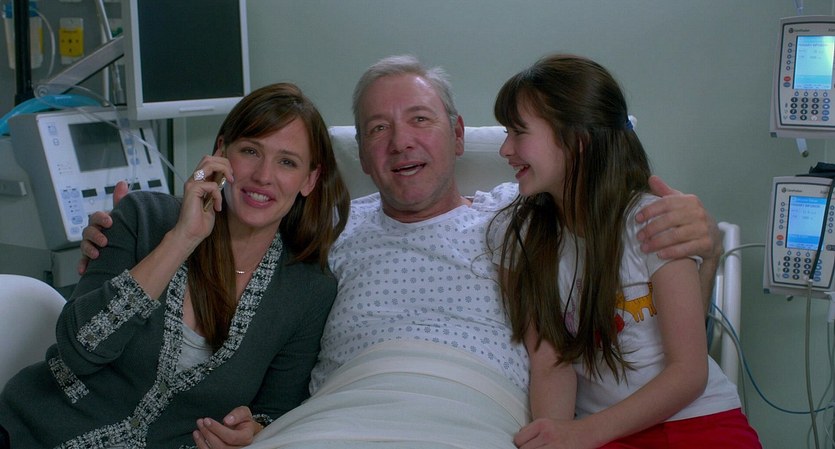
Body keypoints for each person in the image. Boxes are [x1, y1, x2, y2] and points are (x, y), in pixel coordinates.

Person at [81, 55, 721, 449]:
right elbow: (234, 248)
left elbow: (603, 204)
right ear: (360, 155)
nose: (399, 142)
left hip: (472, 413)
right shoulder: (322, 233)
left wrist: (702, 237)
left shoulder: (523, 215)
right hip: (337, 414)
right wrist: (124, 243)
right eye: (378, 128)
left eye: (420, 119)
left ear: (458, 135)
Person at [0, 82, 350, 449]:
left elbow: (276, 411)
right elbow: (80, 351)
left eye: (287, 162)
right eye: (250, 151)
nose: (263, 175)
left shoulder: (308, 291)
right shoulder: (143, 217)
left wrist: (253, 430)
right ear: (221, 152)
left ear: (309, 179)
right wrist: (182, 238)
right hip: (31, 435)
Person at [489, 54, 760, 448]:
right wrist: (557, 436)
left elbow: (689, 372)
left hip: (699, 419)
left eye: (518, 132)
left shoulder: (652, 221)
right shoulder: (521, 239)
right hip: (604, 431)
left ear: (577, 140)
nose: (505, 149)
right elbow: (551, 364)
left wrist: (582, 434)